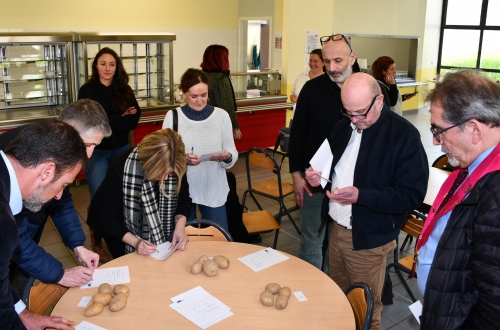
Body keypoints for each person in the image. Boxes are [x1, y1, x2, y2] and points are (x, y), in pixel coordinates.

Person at [305, 73, 428, 330]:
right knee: (338, 300)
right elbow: (330, 167)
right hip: (336, 229)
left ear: (380, 101)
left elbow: (412, 195)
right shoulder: (344, 126)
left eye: (360, 113)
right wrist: (316, 177)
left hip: (369, 238)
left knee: (366, 310)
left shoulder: (404, 136)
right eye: (348, 112)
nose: (354, 120)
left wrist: (362, 196)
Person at [288, 34, 391, 272]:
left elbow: (384, 138)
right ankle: (311, 291)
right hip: (314, 179)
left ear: (352, 57)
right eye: (327, 62)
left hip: (355, 182)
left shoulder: (373, 91)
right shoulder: (312, 90)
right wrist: (296, 174)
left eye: (338, 61)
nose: (332, 68)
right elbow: (298, 134)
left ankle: (335, 292)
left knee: (341, 242)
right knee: (312, 239)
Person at [0, 99, 111, 296]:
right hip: (15, 241)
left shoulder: (58, 148)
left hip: (25, 239)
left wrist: (78, 245)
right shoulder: (20, 155)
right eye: (87, 144)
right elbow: (17, 237)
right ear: (67, 130)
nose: (89, 154)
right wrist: (59, 274)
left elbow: (62, 202)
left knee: (18, 287)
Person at [416, 70, 500, 329]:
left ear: (474, 130)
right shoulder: (476, 167)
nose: (435, 140)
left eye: (439, 130)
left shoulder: (495, 192)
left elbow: (494, 305)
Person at [1, 119, 87, 329]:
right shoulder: (3, 223)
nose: (59, 196)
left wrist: (23, 313)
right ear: (47, 171)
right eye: (63, 185)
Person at [87, 129, 191, 258]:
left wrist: (180, 228)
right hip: (121, 231)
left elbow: (183, 199)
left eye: (170, 173)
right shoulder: (122, 165)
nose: (165, 178)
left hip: (164, 230)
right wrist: (136, 242)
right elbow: (108, 219)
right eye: (161, 172)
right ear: (148, 164)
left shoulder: (175, 161)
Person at [163, 68, 238, 231]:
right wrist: (182, 158)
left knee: (218, 239)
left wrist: (226, 156)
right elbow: (164, 155)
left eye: (204, 95)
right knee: (185, 240)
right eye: (194, 96)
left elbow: (232, 150)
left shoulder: (221, 116)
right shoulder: (173, 116)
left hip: (213, 186)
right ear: (183, 93)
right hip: (182, 189)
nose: (200, 100)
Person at [78, 47, 141, 201]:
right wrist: (120, 117)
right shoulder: (87, 91)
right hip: (96, 152)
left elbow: (132, 121)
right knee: (100, 196)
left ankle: (115, 225)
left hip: (121, 149)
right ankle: (97, 225)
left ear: (117, 67)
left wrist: (106, 119)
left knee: (120, 194)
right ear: (96, 66)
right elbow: (89, 123)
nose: (107, 68)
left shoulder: (125, 90)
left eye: (112, 64)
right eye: (103, 63)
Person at [201, 44, 242, 139]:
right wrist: (235, 126)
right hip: (218, 126)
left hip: (203, 123)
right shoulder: (220, 79)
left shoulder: (200, 75)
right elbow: (226, 106)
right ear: (221, 60)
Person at [289, 48, 324, 118]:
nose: (312, 63)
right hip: (296, 117)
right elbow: (292, 94)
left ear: (323, 63)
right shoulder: (302, 76)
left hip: (315, 120)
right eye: (310, 60)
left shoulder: (327, 80)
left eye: (315, 61)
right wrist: (293, 98)